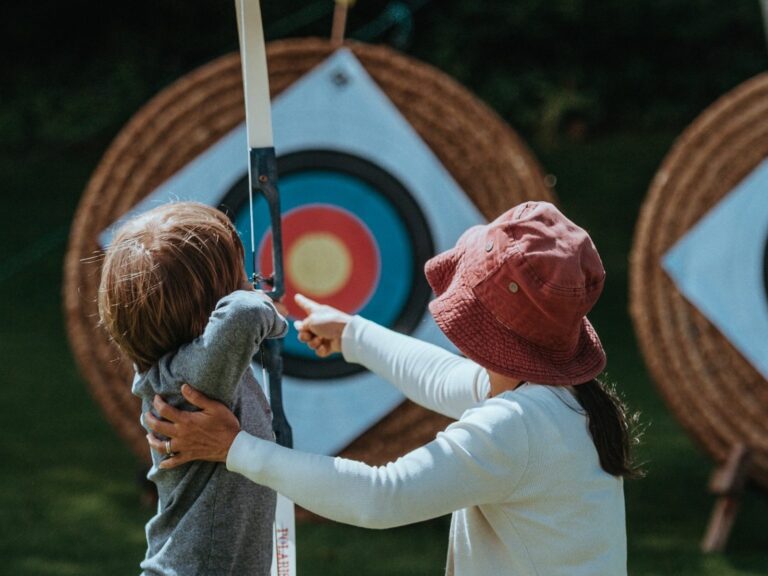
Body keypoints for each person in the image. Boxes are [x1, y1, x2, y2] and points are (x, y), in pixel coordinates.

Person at [146, 201, 639, 575]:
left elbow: (381, 497)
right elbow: (444, 378)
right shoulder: (556, 397)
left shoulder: (517, 426)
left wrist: (234, 448)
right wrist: (354, 335)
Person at [98, 201, 288, 575]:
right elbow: (244, 315)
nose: (250, 283)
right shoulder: (194, 381)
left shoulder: (184, 366)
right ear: (209, 307)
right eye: (240, 276)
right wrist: (271, 313)